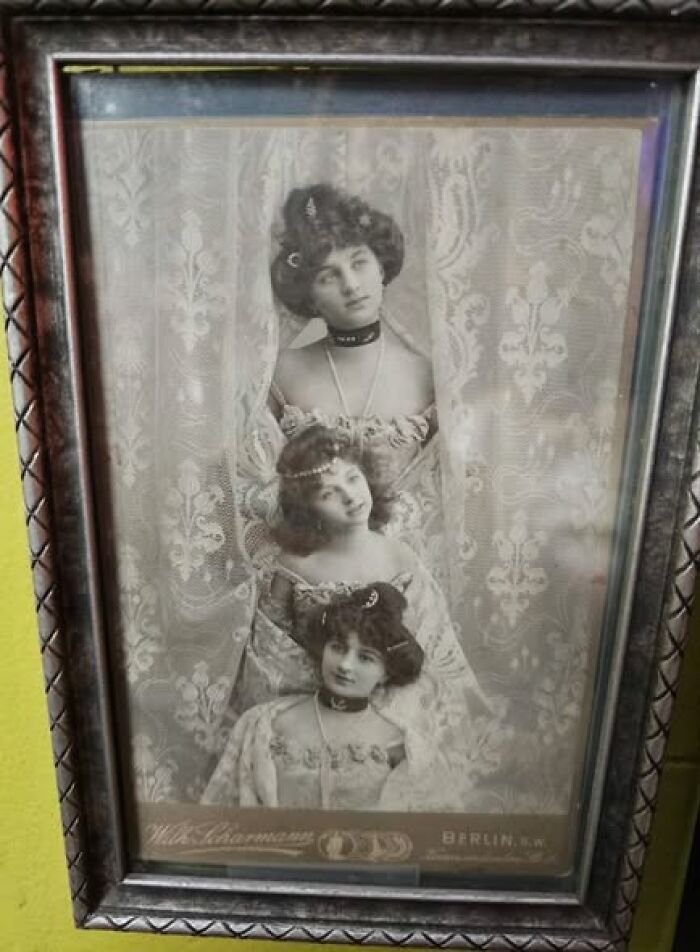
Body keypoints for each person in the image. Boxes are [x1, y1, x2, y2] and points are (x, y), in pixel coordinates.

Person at [232, 425, 489, 726]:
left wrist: (381, 684)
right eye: (329, 494)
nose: (350, 497)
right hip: (310, 696)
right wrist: (327, 688)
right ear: (307, 509)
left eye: (353, 479)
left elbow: (429, 636)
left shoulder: (398, 555)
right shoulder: (296, 566)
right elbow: (271, 649)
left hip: (391, 693)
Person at [202, 583, 471, 811]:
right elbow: (225, 814)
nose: (345, 666)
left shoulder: (403, 743)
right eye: (338, 648)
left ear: (386, 673)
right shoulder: (265, 723)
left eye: (365, 658)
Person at [268, 183, 437, 488]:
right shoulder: (282, 374)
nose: (351, 285)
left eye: (359, 264)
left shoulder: (424, 376)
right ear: (309, 296)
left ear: (382, 269)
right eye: (328, 276)